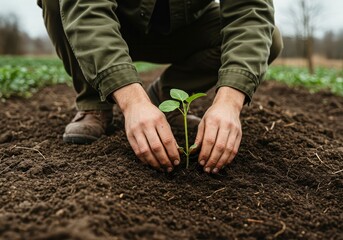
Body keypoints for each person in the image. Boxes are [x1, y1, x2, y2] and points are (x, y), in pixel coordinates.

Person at [38, 0, 283, 174]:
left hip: (184, 30)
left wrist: (230, 102)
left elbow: (250, 12)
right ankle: (94, 102)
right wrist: (132, 102)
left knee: (269, 37)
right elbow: (86, 10)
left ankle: (165, 98)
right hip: (113, 24)